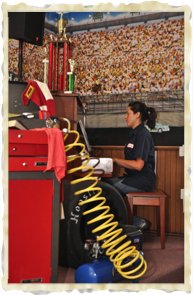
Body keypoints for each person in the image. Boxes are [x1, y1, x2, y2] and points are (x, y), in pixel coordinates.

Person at [104, 101, 157, 232]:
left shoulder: (143, 134)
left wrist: (115, 160)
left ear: (137, 114)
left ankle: (137, 222)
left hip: (142, 180)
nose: (125, 116)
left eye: (128, 113)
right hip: (132, 178)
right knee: (102, 185)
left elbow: (139, 165)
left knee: (106, 193)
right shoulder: (134, 134)